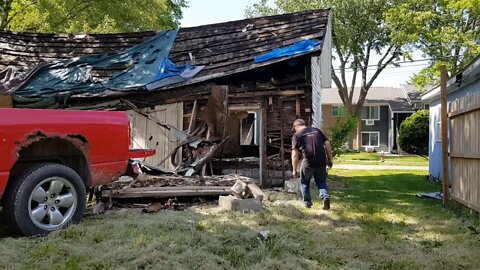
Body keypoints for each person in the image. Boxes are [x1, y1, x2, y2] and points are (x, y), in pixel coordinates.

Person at [291, 119, 333, 210]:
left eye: (295, 128)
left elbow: (294, 154)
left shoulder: (297, 135)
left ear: (297, 126)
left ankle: (307, 203)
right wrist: (330, 159)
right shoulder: (317, 131)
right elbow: (327, 143)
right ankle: (325, 196)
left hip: (308, 163)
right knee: (321, 181)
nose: (295, 130)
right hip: (321, 161)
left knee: (305, 182)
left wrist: (294, 170)